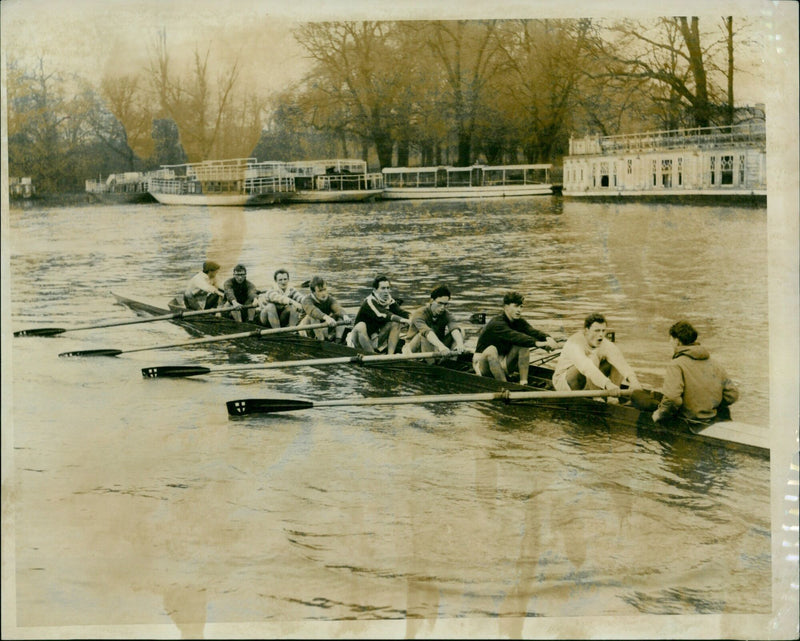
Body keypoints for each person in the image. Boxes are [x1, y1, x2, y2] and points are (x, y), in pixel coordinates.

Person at [652, 320, 739, 424]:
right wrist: (709, 405)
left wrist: (659, 415)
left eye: (670, 338)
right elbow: (732, 395)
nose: (669, 342)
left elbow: (672, 398)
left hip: (689, 419)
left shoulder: (676, 364)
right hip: (712, 415)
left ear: (677, 341)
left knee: (637, 396)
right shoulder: (714, 363)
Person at [473, 291, 560, 387]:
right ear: (506, 307)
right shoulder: (497, 324)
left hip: (502, 362)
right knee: (491, 350)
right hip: (483, 365)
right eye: (516, 306)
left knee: (523, 345)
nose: (519, 310)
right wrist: (538, 344)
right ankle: (505, 386)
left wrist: (548, 338)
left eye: (521, 307)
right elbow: (515, 336)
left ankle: (523, 383)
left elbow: (533, 332)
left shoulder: (519, 322)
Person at [552, 312, 642, 396]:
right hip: (565, 384)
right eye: (597, 330)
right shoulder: (574, 343)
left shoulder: (604, 342)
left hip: (590, 379)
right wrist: (607, 384)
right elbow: (586, 367)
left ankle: (612, 397)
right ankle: (597, 397)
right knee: (592, 359)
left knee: (616, 360)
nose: (601, 335)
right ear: (586, 330)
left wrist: (634, 382)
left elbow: (621, 363)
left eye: (603, 331)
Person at [347, 275, 409, 354]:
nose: (386, 291)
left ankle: (390, 357)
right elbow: (381, 314)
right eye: (383, 288)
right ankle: (372, 356)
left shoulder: (389, 300)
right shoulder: (369, 302)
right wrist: (403, 320)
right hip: (358, 340)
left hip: (375, 338)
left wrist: (411, 321)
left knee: (396, 323)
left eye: (388, 288)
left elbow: (402, 313)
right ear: (375, 290)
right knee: (361, 326)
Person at [402, 284, 466, 356]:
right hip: (413, 348)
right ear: (432, 301)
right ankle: (431, 363)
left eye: (445, 304)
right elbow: (427, 332)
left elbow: (454, 328)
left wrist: (460, 344)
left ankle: (451, 360)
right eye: (440, 303)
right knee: (424, 335)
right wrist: (441, 346)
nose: (442, 307)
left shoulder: (446, 314)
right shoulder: (420, 313)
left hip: (435, 345)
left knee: (460, 331)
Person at [299, 276, 350, 342]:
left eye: (324, 289)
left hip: (322, 326)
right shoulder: (306, 300)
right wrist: (326, 317)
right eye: (320, 291)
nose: (323, 293)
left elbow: (337, 308)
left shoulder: (329, 299)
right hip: (306, 330)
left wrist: (344, 315)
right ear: (313, 292)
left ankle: (338, 341)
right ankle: (322, 342)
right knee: (314, 317)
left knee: (340, 315)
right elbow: (313, 311)